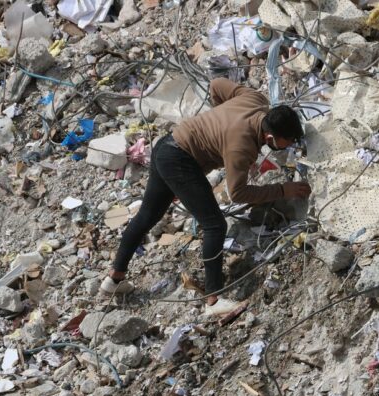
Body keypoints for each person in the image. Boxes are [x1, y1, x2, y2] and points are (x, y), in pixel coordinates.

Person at [101, 78, 312, 315]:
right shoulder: (240, 146)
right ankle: (214, 300)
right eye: (288, 142)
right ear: (271, 138)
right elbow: (238, 193)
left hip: (167, 146)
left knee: (148, 216)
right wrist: (283, 190)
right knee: (214, 225)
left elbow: (217, 85)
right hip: (180, 161)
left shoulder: (256, 100)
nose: (290, 146)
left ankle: (114, 279)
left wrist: (216, 123)